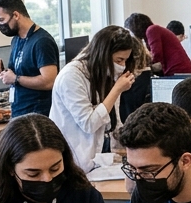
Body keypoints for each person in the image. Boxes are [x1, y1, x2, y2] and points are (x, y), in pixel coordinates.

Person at [49, 25, 141, 174]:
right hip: (75, 158)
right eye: (119, 60)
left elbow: (113, 120)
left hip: (99, 155)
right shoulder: (72, 76)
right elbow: (89, 124)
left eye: (125, 60)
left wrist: (131, 145)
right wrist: (117, 89)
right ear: (103, 55)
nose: (122, 66)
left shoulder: (106, 73)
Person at [0, 0, 59, 118]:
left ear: (15, 15)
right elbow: (21, 72)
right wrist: (3, 72)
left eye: (1, 20)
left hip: (38, 116)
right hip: (19, 111)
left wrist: (15, 79)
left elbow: (50, 81)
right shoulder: (16, 39)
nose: (0, 25)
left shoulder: (42, 41)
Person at [127, 13, 191, 76]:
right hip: (178, 70)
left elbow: (157, 55)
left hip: (178, 71)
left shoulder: (152, 30)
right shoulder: (153, 31)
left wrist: (145, 66)